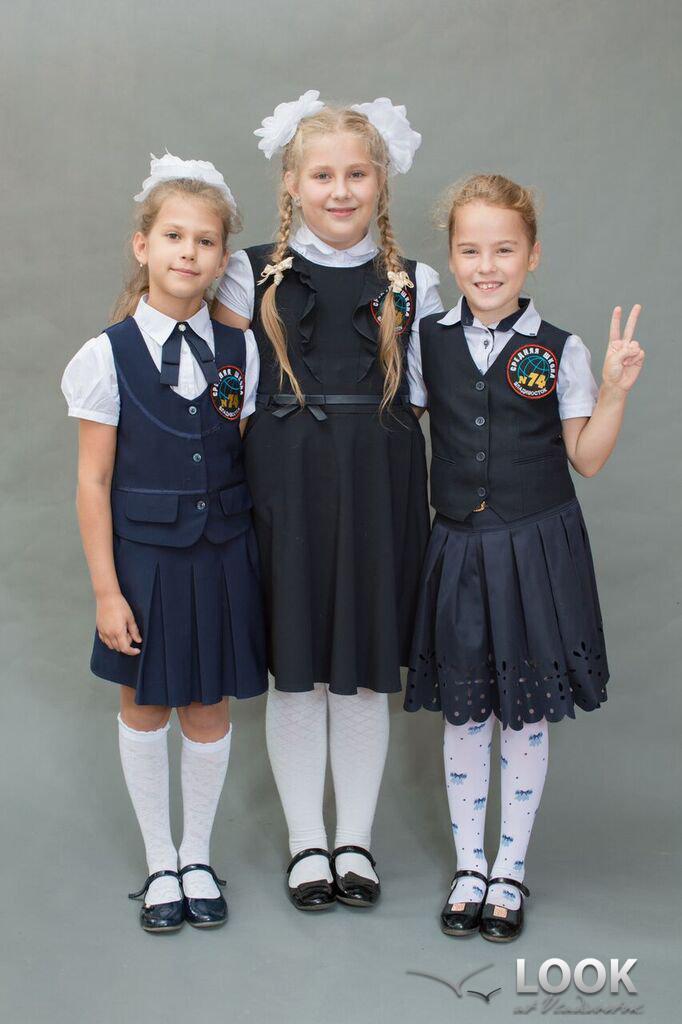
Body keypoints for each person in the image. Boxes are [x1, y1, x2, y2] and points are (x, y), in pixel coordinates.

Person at [213, 92, 443, 910]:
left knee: (365, 675)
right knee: (299, 671)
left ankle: (357, 841)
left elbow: (432, 397)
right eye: (321, 175)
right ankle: (307, 843)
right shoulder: (248, 273)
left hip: (377, 490)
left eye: (356, 174)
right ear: (291, 183)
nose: (339, 191)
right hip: (284, 491)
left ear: (381, 182)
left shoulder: (414, 282)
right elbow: (221, 392)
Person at [404, 173, 644, 941]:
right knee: (467, 712)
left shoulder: (561, 349)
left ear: (532, 255)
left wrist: (614, 391)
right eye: (471, 250)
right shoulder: (427, 340)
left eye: (504, 250)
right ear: (452, 256)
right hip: (458, 546)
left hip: (535, 546)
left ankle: (510, 868)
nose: (487, 266)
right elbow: (398, 433)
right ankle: (469, 866)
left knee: (523, 713)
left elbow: (588, 458)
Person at [61, 153, 267, 932]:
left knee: (208, 709)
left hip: (222, 553)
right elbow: (92, 482)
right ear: (143, 246)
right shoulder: (105, 355)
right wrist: (106, 591)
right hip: (142, 562)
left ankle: (197, 856)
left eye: (206, 241)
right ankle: (159, 862)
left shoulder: (242, 351)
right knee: (146, 706)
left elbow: (241, 451)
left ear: (222, 258)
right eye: (174, 236)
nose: (189, 252)